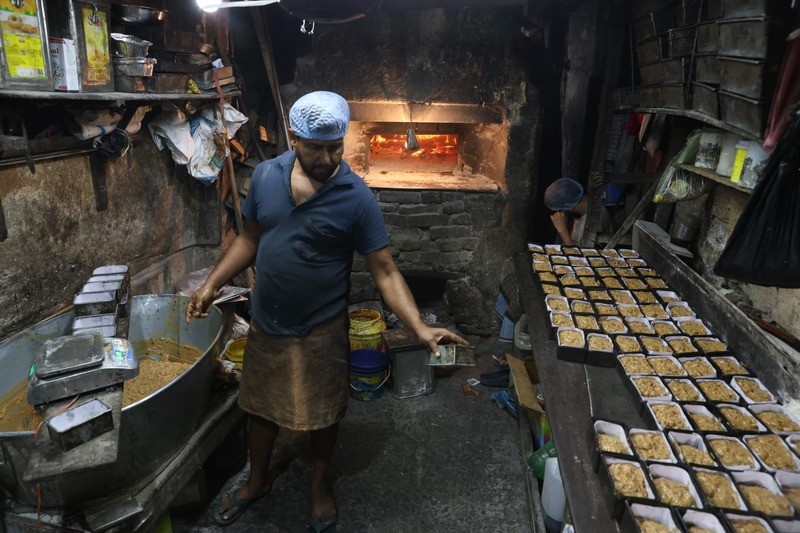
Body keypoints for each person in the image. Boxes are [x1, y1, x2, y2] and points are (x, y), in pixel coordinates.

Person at [185, 90, 467, 530]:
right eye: (315, 147)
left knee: (324, 411)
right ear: (294, 138)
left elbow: (386, 272)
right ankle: (257, 479)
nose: (326, 157)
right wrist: (210, 285)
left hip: (321, 325)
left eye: (335, 146)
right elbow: (250, 238)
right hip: (268, 319)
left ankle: (319, 484)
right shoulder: (263, 177)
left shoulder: (356, 199)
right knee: (258, 406)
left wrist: (420, 329)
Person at [544, 177, 615, 246]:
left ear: (566, 207)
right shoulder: (583, 214)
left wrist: (563, 230)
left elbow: (579, 256)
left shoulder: (596, 219)